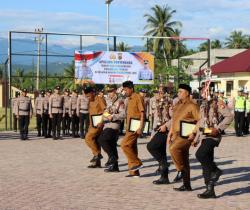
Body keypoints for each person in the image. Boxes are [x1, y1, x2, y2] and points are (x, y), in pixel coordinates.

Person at [195, 98, 233, 199]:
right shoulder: (203, 105)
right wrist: (196, 138)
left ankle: (216, 170)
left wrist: (219, 128)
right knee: (205, 164)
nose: (203, 91)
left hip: (213, 136)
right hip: (205, 135)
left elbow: (229, 116)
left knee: (199, 154)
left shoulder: (216, 103)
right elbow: (201, 123)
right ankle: (210, 190)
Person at [168, 84, 200, 191]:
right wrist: (170, 133)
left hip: (187, 133)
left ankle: (180, 170)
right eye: (178, 91)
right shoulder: (178, 104)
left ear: (187, 93)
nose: (178, 93)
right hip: (176, 133)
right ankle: (187, 185)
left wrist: (194, 133)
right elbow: (174, 120)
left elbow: (200, 120)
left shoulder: (192, 105)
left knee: (173, 148)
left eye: (180, 91)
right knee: (185, 159)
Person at [97, 85, 125, 172]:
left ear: (115, 91)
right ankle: (115, 167)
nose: (109, 93)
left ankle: (112, 157)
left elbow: (123, 114)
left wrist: (112, 117)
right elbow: (104, 113)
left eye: (111, 91)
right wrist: (105, 117)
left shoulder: (120, 101)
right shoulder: (107, 101)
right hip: (106, 124)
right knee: (112, 145)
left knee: (102, 140)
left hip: (114, 125)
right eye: (108, 92)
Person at [147, 89, 172, 184]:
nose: (157, 94)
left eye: (160, 93)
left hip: (166, 131)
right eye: (157, 92)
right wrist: (152, 134)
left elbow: (174, 118)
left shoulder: (169, 103)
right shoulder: (156, 103)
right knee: (162, 152)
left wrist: (166, 126)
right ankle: (164, 177)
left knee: (151, 146)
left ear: (165, 94)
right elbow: (155, 120)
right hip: (157, 130)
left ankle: (164, 164)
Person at [121, 81, 145, 177]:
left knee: (124, 145)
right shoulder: (128, 99)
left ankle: (137, 163)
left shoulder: (138, 97)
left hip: (135, 126)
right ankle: (134, 172)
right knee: (132, 147)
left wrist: (141, 127)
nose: (125, 91)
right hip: (129, 126)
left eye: (126, 89)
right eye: (124, 89)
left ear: (131, 88)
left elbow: (142, 113)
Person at [84, 86, 106, 168]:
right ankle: (97, 163)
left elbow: (105, 110)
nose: (88, 98)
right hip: (92, 124)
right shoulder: (90, 101)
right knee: (96, 141)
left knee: (88, 138)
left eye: (89, 96)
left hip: (98, 124)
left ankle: (97, 154)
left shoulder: (99, 99)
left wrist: (102, 122)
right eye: (86, 96)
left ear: (92, 93)